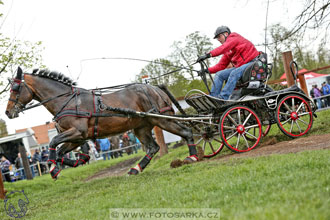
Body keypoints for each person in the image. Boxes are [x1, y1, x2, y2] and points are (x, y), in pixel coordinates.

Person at [197, 26, 259, 100]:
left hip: (252, 63)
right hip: (241, 67)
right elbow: (221, 65)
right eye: (217, 38)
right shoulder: (228, 51)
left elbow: (223, 48)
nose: (218, 40)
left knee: (234, 73)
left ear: (226, 34)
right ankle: (214, 98)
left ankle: (223, 98)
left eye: (219, 37)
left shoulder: (234, 37)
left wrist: (208, 55)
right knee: (219, 74)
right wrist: (207, 70)